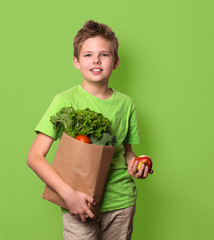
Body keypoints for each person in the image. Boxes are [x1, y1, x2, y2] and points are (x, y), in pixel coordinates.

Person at [27, 19, 153, 240]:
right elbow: (35, 157)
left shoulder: (126, 104)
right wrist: (68, 195)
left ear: (115, 62)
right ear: (76, 62)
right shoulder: (64, 100)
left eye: (104, 54)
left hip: (121, 203)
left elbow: (127, 152)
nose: (96, 60)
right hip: (79, 201)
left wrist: (135, 165)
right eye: (88, 55)